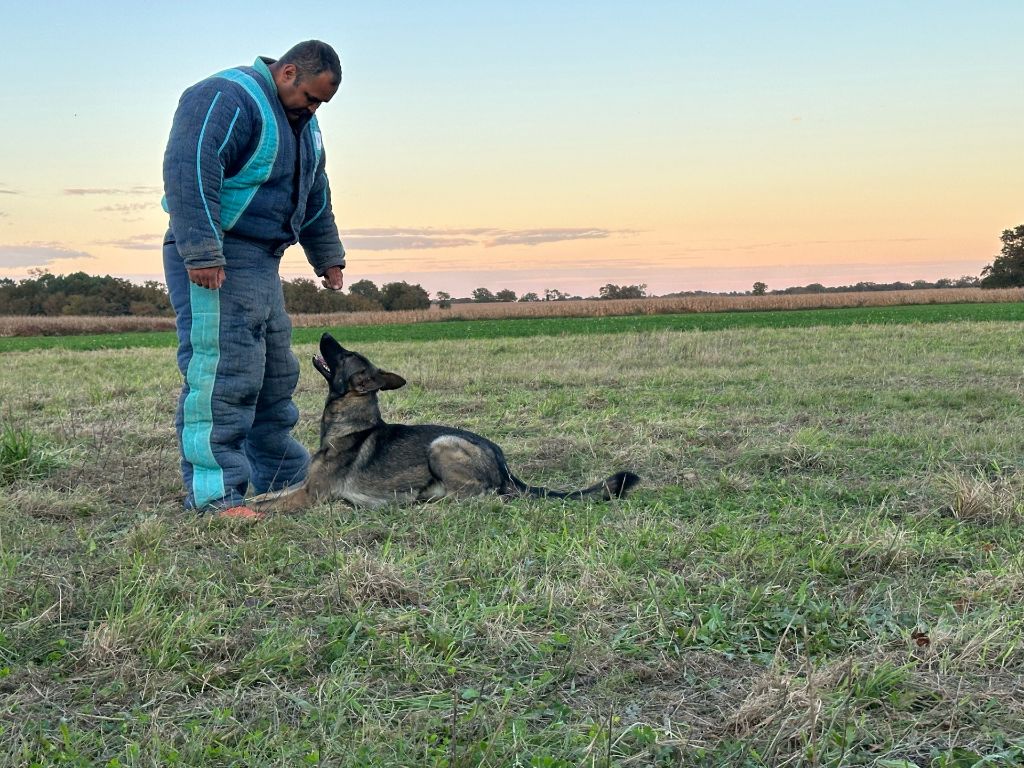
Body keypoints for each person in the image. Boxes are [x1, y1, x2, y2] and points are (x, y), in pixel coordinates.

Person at [162, 40, 347, 519]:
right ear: (288, 72)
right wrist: (201, 250)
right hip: (217, 255)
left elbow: (314, 190)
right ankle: (216, 495)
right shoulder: (224, 95)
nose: (314, 108)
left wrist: (327, 255)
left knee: (273, 375)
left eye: (321, 103)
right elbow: (189, 169)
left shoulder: (303, 125)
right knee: (224, 374)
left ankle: (284, 475)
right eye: (310, 97)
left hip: (263, 260)